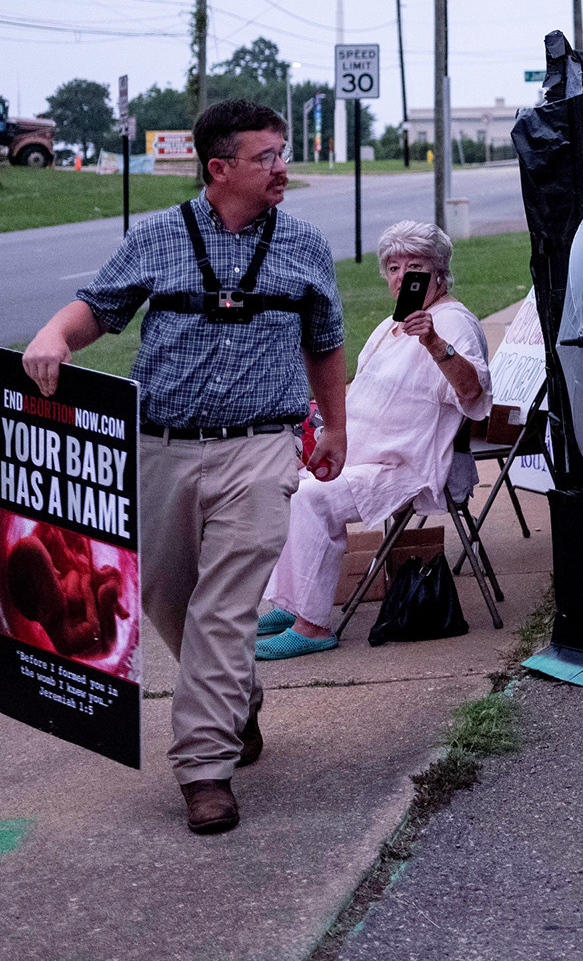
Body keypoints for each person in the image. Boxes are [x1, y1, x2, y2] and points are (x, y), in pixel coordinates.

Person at [22, 100, 346, 835]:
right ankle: (238, 698)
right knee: (171, 604)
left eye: (281, 154)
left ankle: (205, 770)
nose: (282, 169)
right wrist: (53, 335)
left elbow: (324, 342)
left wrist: (334, 428)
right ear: (219, 168)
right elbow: (96, 309)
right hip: (162, 446)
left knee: (225, 609)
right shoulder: (159, 238)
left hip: (263, 447)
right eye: (266, 157)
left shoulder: (304, 245)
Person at [257, 221, 493, 659]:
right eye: (393, 267)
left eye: (415, 266)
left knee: (312, 499)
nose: (403, 276)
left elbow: (473, 392)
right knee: (286, 484)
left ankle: (312, 626)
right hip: (365, 452)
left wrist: (434, 342)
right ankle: (289, 605)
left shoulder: (453, 322)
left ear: (439, 273)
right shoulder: (391, 325)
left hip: (409, 466)